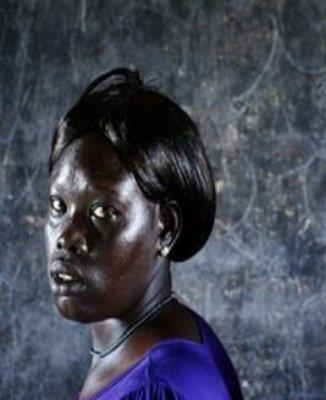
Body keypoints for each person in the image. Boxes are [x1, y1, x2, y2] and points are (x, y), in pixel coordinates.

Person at [44, 68, 243, 400]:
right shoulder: (154, 343)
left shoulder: (159, 385)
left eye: (104, 212)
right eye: (58, 206)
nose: (67, 237)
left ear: (166, 228)